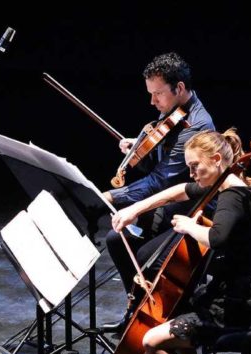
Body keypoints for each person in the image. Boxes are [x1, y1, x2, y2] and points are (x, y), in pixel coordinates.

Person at [111, 129, 251, 354]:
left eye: (195, 166)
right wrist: (134, 208)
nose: (191, 174)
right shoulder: (226, 185)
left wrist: (189, 226)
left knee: (151, 340)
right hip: (245, 289)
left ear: (216, 159)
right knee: (179, 312)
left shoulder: (232, 196)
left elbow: (217, 237)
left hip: (247, 301)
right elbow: (180, 190)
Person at [103, 52, 215, 332]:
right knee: (116, 239)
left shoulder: (195, 127)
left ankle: (163, 320)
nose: (152, 101)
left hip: (190, 213)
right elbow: (162, 168)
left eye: (157, 94)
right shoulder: (173, 114)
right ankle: (137, 310)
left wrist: (112, 196)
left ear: (178, 88)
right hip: (165, 206)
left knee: (144, 257)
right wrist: (140, 150)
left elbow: (160, 181)